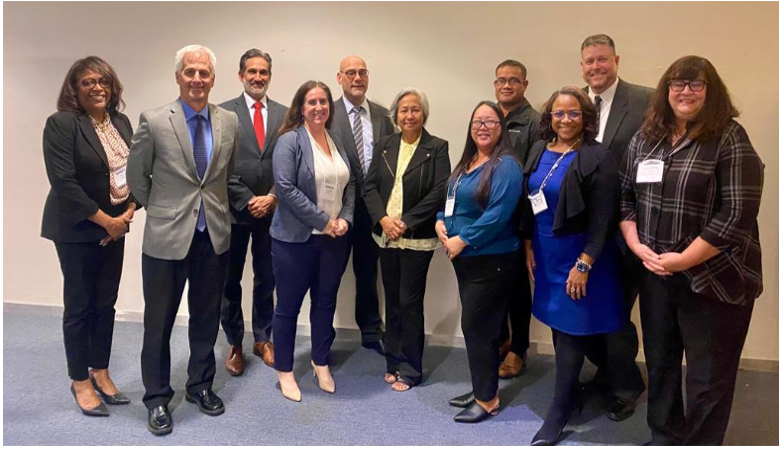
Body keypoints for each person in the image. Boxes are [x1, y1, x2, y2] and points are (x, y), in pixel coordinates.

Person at [620, 55, 764, 446]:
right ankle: (665, 436)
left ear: (710, 91)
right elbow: (626, 198)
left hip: (715, 280)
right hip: (657, 275)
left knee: (708, 376)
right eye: (677, 84)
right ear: (666, 91)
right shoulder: (644, 139)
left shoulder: (730, 137)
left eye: (695, 85)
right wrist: (638, 247)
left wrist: (685, 259)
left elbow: (737, 213)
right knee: (662, 365)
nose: (685, 92)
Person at [127, 44, 238, 435]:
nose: (197, 79)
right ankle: (157, 398)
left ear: (212, 78)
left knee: (207, 318)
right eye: (190, 72)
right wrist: (162, 208)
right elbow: (137, 177)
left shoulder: (229, 121)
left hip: (214, 236)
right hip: (166, 237)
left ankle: (199, 386)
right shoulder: (155, 120)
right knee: (158, 321)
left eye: (204, 73)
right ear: (178, 77)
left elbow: (223, 177)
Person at [520, 87, 623, 446]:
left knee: (573, 330)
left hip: (581, 256)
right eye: (558, 114)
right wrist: (530, 244)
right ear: (549, 117)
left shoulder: (598, 156)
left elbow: (605, 218)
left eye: (573, 113)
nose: (565, 120)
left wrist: (585, 263)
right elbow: (531, 200)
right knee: (558, 324)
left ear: (586, 118)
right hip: (547, 251)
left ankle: (559, 411)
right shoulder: (539, 150)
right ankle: (600, 384)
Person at [42, 56, 136, 416]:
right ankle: (79, 380)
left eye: (104, 82)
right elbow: (63, 181)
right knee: (80, 306)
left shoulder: (121, 122)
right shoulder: (63, 124)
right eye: (88, 82)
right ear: (74, 88)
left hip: (117, 226)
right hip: (78, 229)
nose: (97, 87)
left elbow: (135, 170)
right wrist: (105, 221)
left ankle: (101, 370)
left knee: (105, 304)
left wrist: (127, 214)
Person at [580, 33, 653, 421]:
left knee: (616, 313)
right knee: (588, 311)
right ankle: (605, 372)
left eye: (602, 60)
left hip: (626, 229)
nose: (596, 67)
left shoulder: (645, 100)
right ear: (581, 66)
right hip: (581, 232)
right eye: (589, 61)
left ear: (616, 60)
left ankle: (627, 385)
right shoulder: (571, 103)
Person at [435, 101, 523, 423]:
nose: (482, 127)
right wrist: (440, 222)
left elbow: (498, 214)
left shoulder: (506, 165)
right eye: (477, 122)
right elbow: (451, 199)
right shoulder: (469, 161)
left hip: (492, 259)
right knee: (477, 327)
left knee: (477, 327)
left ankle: (488, 400)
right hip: (465, 260)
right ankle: (480, 388)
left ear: (501, 127)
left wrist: (462, 239)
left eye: (489, 121)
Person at [270, 80, 355, 402]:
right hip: (295, 242)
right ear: (301, 108)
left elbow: (352, 185)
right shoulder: (289, 141)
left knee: (324, 305)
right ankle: (285, 370)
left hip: (333, 241)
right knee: (288, 308)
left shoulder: (336, 141)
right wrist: (325, 222)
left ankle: (320, 361)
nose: (318, 107)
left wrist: (344, 219)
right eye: (311, 102)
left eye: (323, 101)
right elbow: (286, 188)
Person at [363, 88, 450, 392]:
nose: (409, 115)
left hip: (416, 238)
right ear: (395, 115)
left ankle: (411, 369)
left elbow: (440, 190)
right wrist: (383, 220)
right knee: (393, 301)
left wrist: (406, 222)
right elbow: (369, 186)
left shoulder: (437, 147)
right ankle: (392, 362)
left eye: (415, 109)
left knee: (409, 302)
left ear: (423, 113)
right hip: (386, 236)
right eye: (403, 110)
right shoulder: (385, 144)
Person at [220, 48, 288, 375]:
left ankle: (263, 339)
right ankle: (235, 343)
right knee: (228, 281)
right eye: (252, 71)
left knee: (267, 278)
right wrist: (248, 198)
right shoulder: (222, 113)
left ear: (269, 76)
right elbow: (218, 165)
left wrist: (273, 196)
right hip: (233, 212)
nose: (257, 77)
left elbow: (289, 163)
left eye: (263, 72)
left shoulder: (285, 115)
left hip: (272, 214)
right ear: (241, 75)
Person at [330, 55, 395, 356]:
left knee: (369, 273)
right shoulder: (325, 114)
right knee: (329, 274)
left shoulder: (384, 116)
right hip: (337, 210)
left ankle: (371, 330)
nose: (358, 78)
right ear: (339, 77)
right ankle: (322, 332)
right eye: (351, 73)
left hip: (373, 210)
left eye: (363, 73)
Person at [493, 59, 539, 379]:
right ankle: (502, 339)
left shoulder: (536, 122)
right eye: (501, 80)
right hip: (490, 216)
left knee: (518, 287)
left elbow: (535, 172)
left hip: (519, 216)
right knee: (493, 284)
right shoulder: (488, 117)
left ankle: (519, 348)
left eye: (513, 80)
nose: (506, 85)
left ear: (525, 85)